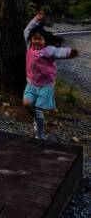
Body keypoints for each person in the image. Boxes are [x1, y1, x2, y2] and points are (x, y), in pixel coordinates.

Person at [23, 11, 78, 140]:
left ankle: (40, 135)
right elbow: (27, 31)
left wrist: (70, 52)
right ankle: (37, 119)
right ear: (31, 39)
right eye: (35, 38)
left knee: (38, 109)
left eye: (40, 39)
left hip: (45, 86)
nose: (36, 41)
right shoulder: (29, 46)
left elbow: (59, 52)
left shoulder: (49, 50)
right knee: (27, 104)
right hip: (31, 84)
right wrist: (35, 20)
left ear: (45, 40)